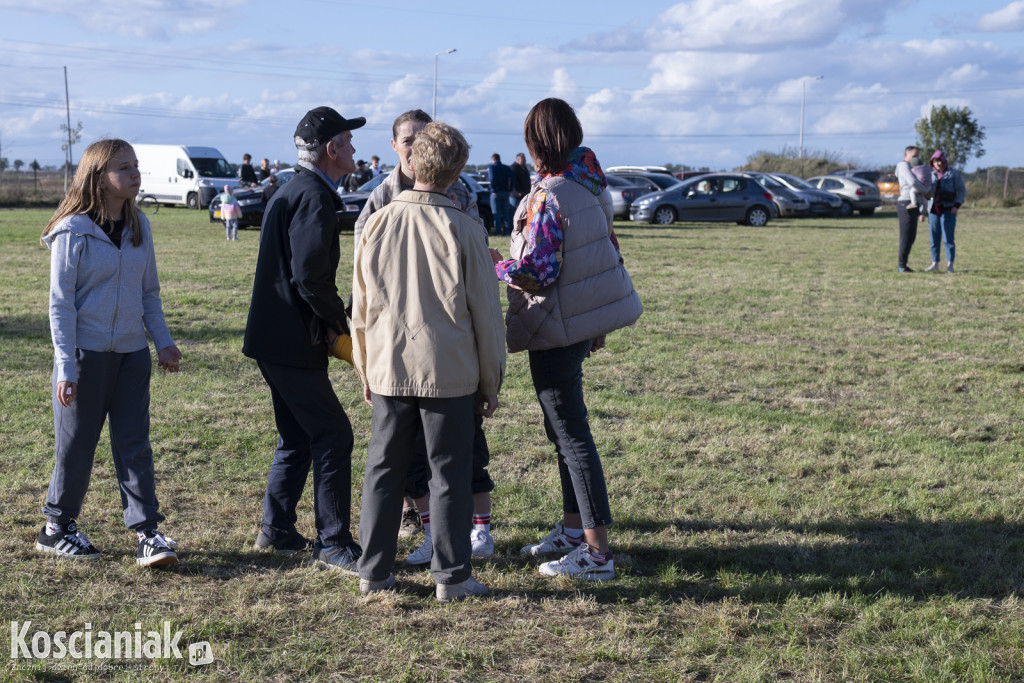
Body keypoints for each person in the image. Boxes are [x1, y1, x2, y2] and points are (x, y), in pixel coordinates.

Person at [352, 121, 506, 601]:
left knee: (383, 467)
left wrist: (364, 368)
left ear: (412, 160)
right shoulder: (466, 227)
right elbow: (486, 313)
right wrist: (491, 380)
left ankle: (374, 571)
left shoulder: (375, 221)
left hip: (389, 365)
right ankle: (452, 575)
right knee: (449, 471)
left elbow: (359, 307)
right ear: (458, 171)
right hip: (451, 370)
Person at [492, 98, 642, 581]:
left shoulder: (550, 195)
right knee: (562, 431)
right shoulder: (590, 182)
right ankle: (575, 530)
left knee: (571, 434)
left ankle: (597, 554)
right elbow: (600, 255)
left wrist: (495, 264)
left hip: (555, 325)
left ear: (536, 143)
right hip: (576, 323)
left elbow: (540, 271)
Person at [38, 138, 182, 567]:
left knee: (135, 444)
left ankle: (147, 534)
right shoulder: (72, 231)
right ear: (99, 179)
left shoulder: (140, 226)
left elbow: (149, 293)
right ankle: (56, 528)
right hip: (86, 356)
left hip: (132, 355)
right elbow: (60, 304)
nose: (135, 174)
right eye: (124, 168)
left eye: (136, 166)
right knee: (77, 445)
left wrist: (163, 340)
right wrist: (66, 366)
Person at [243, 106, 366, 572]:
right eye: (348, 142)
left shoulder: (293, 188)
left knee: (297, 435)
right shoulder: (314, 196)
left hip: (273, 337)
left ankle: (275, 530)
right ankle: (333, 543)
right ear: (332, 149)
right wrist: (341, 323)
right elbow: (309, 278)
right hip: (292, 340)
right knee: (334, 434)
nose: (354, 148)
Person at [925, 149, 966, 273]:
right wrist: (922, 211)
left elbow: (962, 190)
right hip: (933, 210)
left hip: (948, 210)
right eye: (935, 161)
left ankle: (950, 264)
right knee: (934, 238)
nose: (938, 164)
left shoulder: (953, 174)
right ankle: (935, 263)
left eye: (940, 161)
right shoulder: (929, 174)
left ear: (944, 161)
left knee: (948, 238)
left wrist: (956, 205)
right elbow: (923, 192)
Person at [896, 145, 932, 272]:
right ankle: (902, 265)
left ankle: (904, 264)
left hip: (914, 202)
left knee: (911, 236)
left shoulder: (911, 166)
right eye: (914, 156)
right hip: (906, 203)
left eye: (918, 156)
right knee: (906, 236)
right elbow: (912, 182)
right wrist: (927, 190)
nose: (916, 159)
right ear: (906, 155)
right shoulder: (904, 165)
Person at [488, 153, 514, 236]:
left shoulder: (492, 167)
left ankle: (498, 232)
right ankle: (507, 232)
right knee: (506, 213)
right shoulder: (506, 168)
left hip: (496, 192)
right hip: (505, 192)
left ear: (493, 159)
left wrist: (493, 189)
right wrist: (509, 189)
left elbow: (492, 178)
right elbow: (512, 178)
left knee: (496, 213)